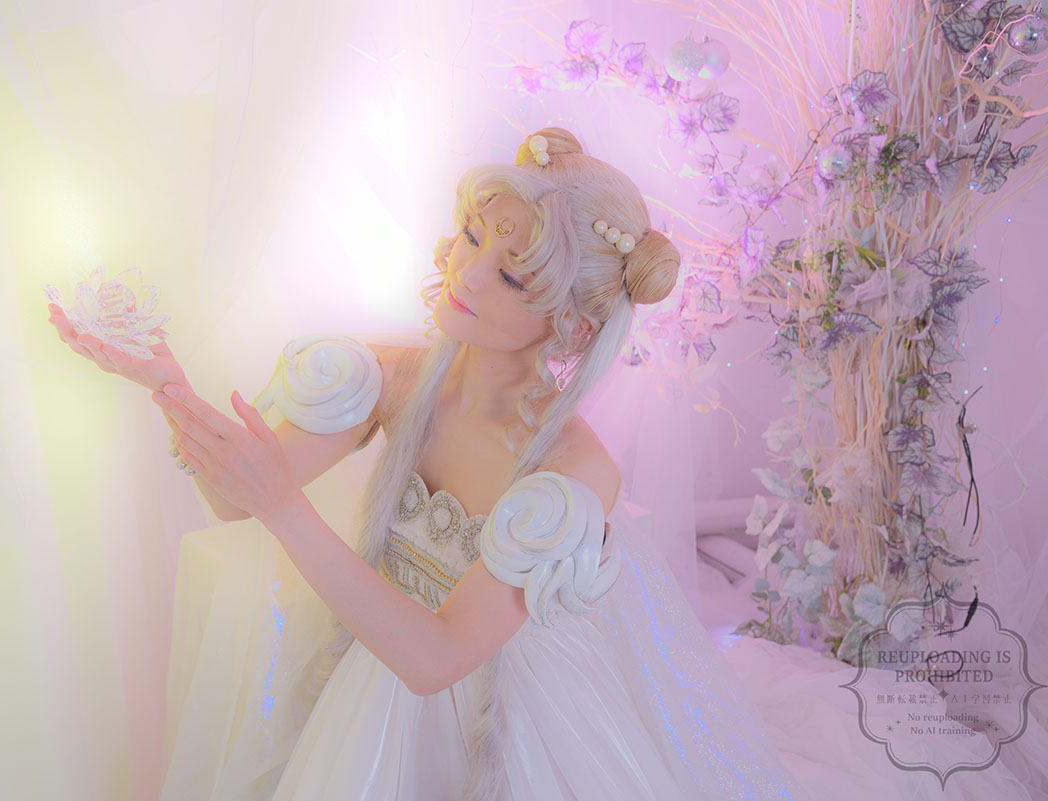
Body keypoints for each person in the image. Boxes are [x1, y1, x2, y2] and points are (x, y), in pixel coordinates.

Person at [48, 127, 813, 800]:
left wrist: (285, 505)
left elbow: (437, 657)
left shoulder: (570, 475)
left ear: (572, 324)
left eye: (511, 275)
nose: (469, 273)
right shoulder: (394, 379)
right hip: (377, 671)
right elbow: (237, 498)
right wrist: (169, 387)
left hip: (508, 711)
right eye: (474, 237)